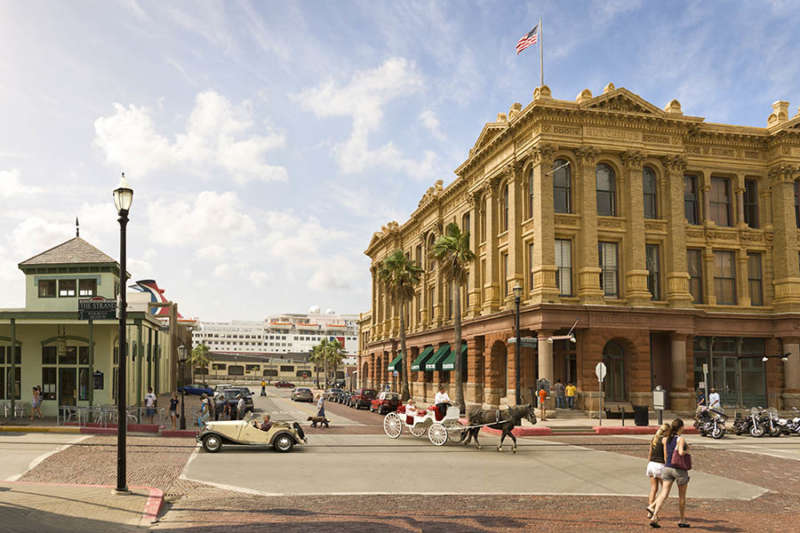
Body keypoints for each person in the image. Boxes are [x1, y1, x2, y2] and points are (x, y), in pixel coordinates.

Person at [650, 418, 691, 528]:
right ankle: (682, 519)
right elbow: (681, 452)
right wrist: (688, 450)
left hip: (667, 468)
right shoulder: (680, 439)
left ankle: (654, 516)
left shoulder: (666, 438)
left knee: (663, 493)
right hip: (679, 469)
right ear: (681, 427)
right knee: (682, 496)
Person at [646, 423, 670, 519]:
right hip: (660, 465)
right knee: (664, 490)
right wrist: (667, 465)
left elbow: (649, 454)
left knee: (653, 489)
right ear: (667, 431)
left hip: (651, 464)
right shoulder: (664, 440)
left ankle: (650, 512)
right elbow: (665, 455)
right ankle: (654, 511)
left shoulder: (654, 439)